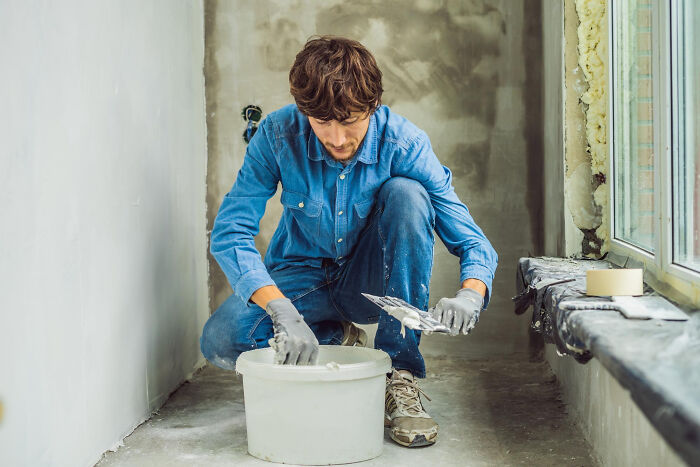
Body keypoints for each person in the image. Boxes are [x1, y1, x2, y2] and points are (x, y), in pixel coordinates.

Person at [201, 36, 498, 448]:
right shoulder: (276, 134)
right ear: (305, 112)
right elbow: (231, 231)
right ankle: (338, 342)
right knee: (220, 340)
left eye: (350, 121)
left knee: (408, 195)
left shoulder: (405, 143)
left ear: (372, 106)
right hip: (300, 278)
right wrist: (280, 310)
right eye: (322, 124)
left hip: (370, 283)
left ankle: (398, 373)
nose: (337, 139)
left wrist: (471, 293)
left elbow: (473, 241)